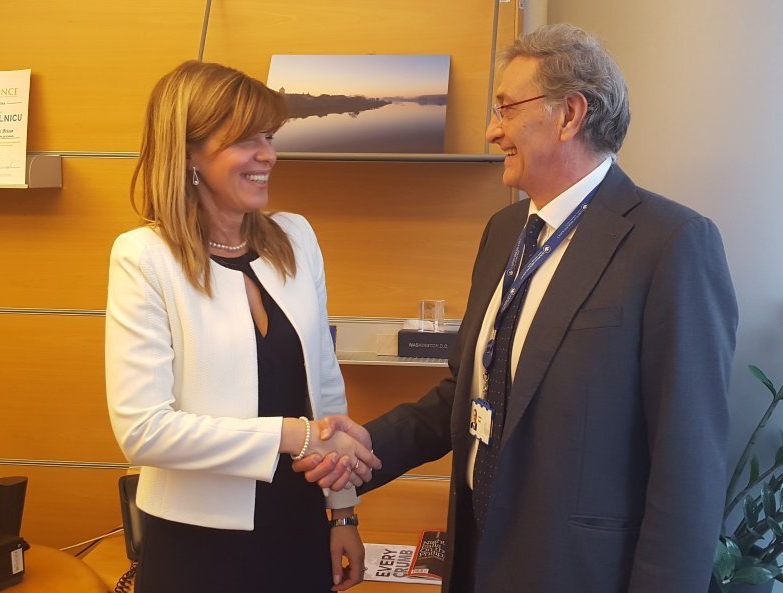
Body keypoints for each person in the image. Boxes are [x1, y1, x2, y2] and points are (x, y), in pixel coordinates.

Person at [295, 24, 739, 593]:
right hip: (477, 556)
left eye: (505, 108)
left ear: (569, 115)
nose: (491, 131)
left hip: (578, 572)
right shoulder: (505, 231)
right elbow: (468, 392)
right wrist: (363, 447)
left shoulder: (671, 243)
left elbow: (688, 464)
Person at [104, 60, 381, 593]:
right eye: (245, 140)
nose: (268, 155)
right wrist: (293, 435)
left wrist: (343, 512)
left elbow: (324, 388)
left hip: (299, 525)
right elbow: (143, 431)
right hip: (196, 544)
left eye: (269, 137)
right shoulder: (144, 257)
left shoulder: (296, 238)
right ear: (188, 153)